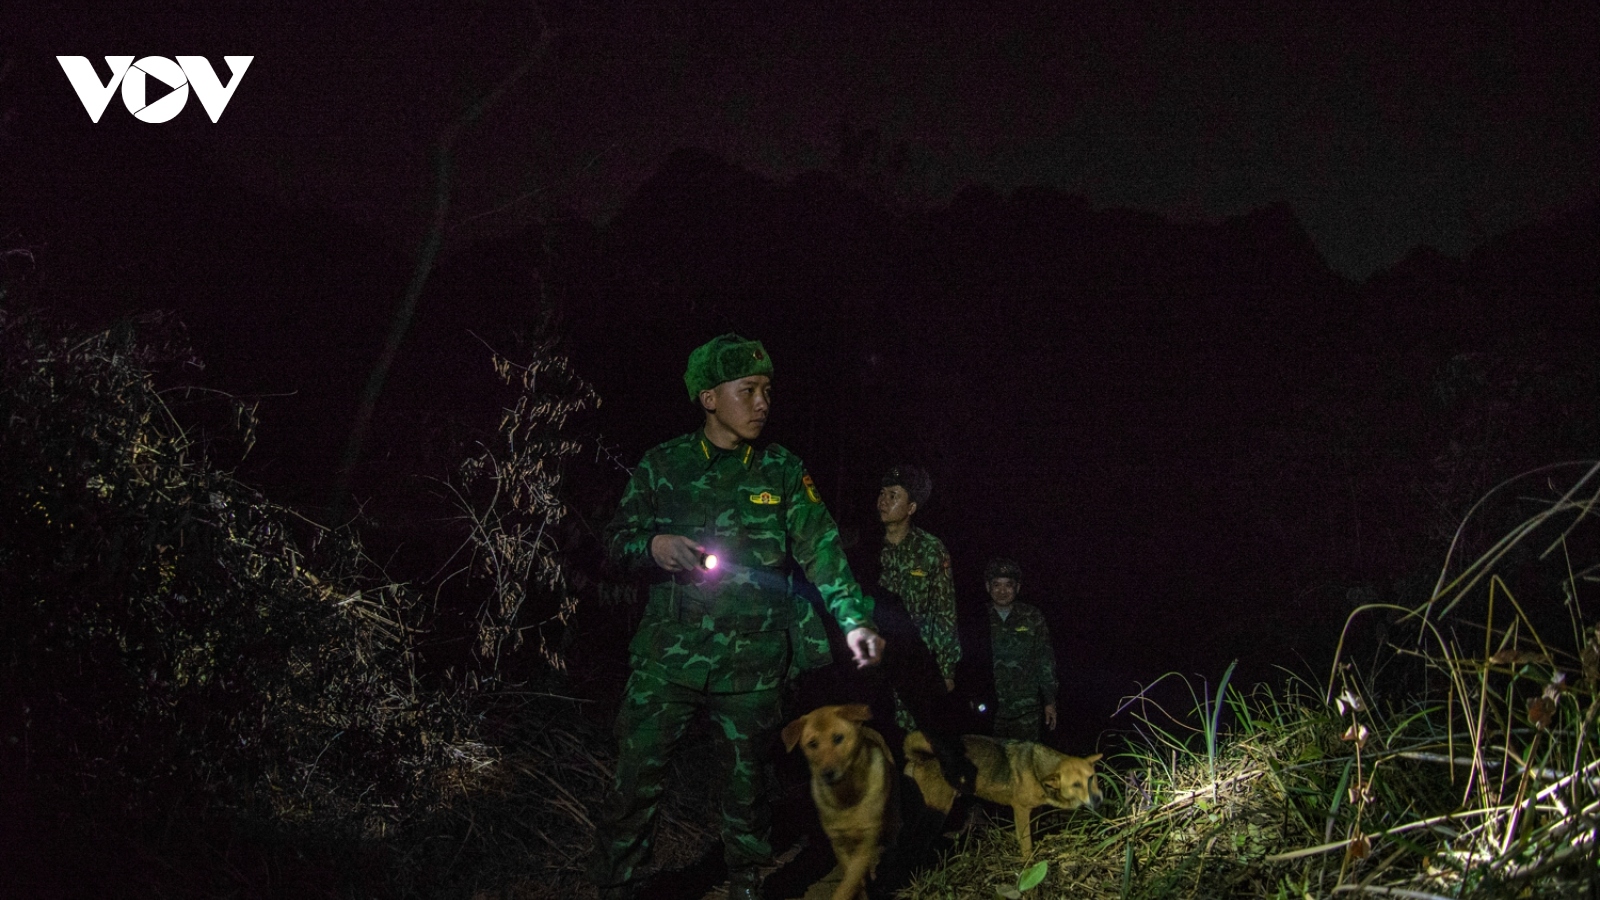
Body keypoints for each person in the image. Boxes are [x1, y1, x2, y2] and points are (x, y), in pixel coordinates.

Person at [589, 333, 886, 900]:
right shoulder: (664, 465)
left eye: (767, 390)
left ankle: (748, 888)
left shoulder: (781, 470)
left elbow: (823, 551)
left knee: (747, 798)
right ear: (708, 398)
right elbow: (614, 541)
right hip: (666, 660)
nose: (762, 402)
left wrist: (854, 620)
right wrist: (652, 548)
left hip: (752, 667)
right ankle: (618, 886)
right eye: (746, 390)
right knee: (634, 787)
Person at [876, 464, 960, 730]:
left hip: (916, 666)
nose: (883, 500)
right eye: (882, 493)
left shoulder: (932, 550)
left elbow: (944, 611)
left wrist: (946, 670)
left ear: (911, 508)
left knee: (915, 747)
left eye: (893, 495)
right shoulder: (865, 546)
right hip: (873, 665)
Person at [984, 557, 1057, 741]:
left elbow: (1044, 659)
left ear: (1017, 587)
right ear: (988, 587)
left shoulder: (1032, 616)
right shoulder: (977, 616)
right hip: (989, 709)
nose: (1002, 591)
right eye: (996, 585)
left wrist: (1050, 700)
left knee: (1025, 764)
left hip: (1026, 709)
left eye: (1008, 585)